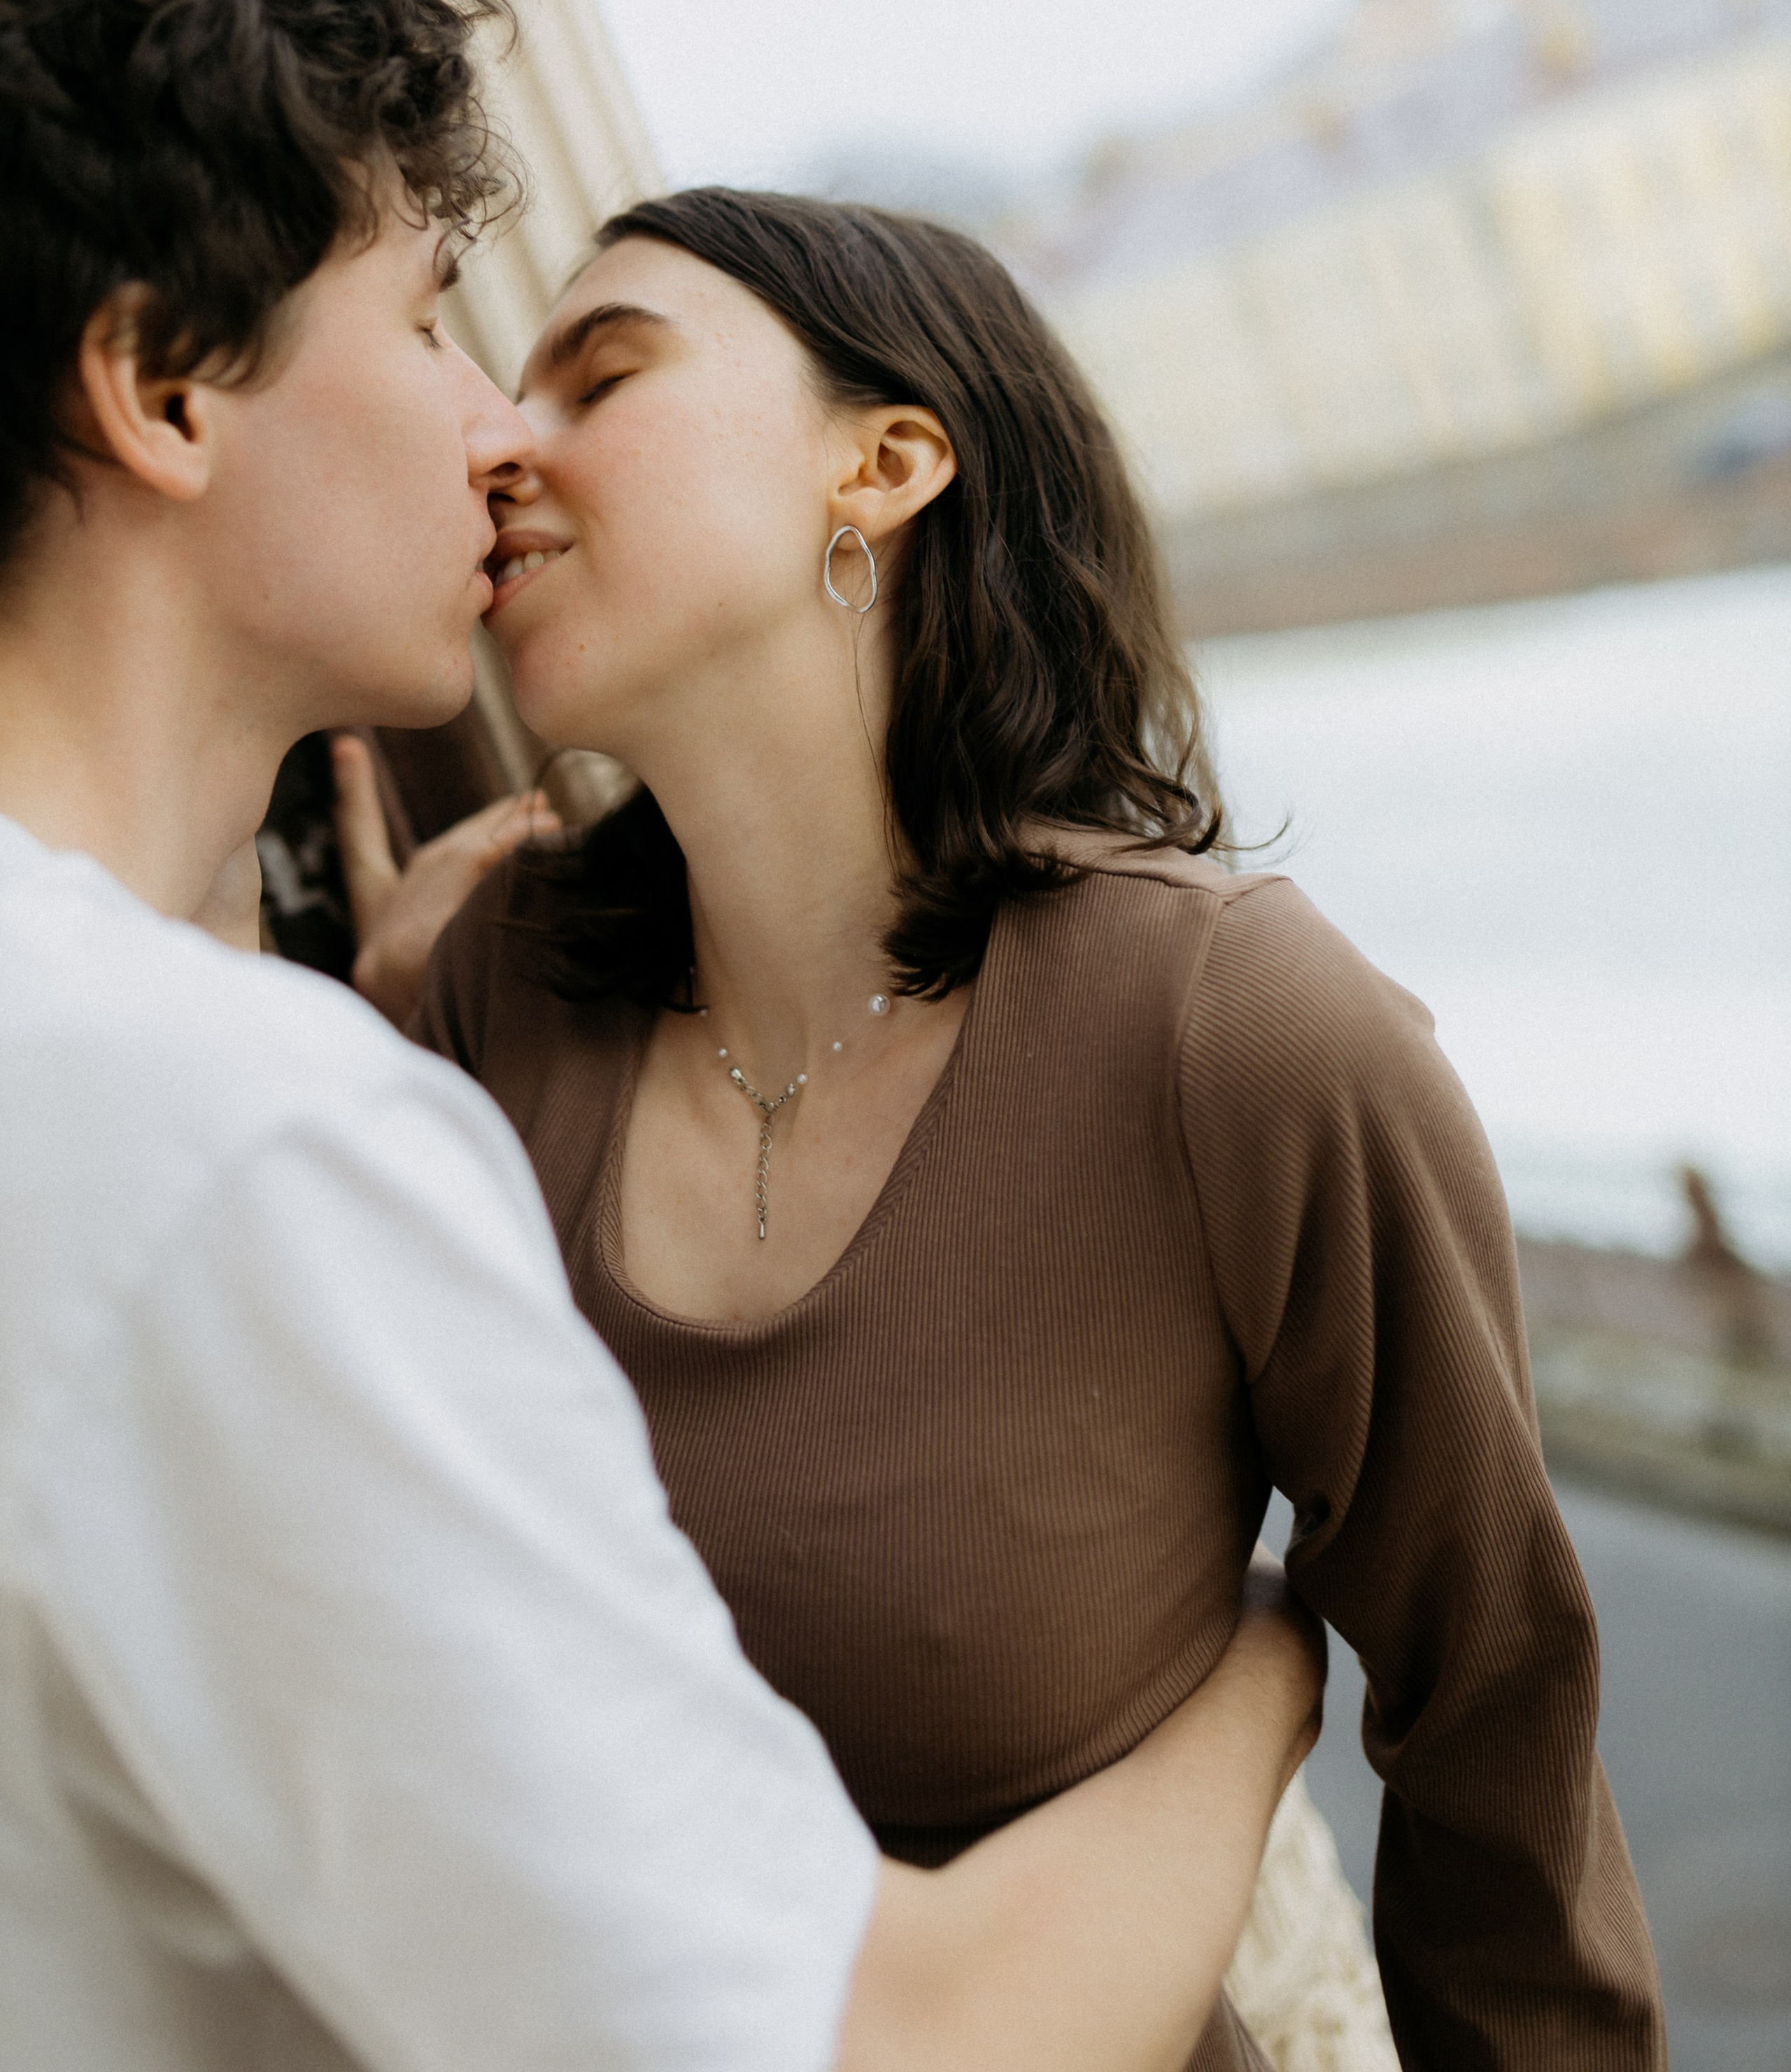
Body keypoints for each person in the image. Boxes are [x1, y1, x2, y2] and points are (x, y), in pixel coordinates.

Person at [0, 0, 1326, 2072]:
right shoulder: (234, 1147)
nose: (496, 429)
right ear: (167, 390)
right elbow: (887, 2048)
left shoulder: (1224, 1007)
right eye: (429, 321)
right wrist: (1275, 1659)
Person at [364, 187, 1666, 2069]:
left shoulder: (1237, 1032)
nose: (500, 438)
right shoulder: (491, 1004)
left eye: (604, 373)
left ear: (882, 468)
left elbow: (1498, 1731)